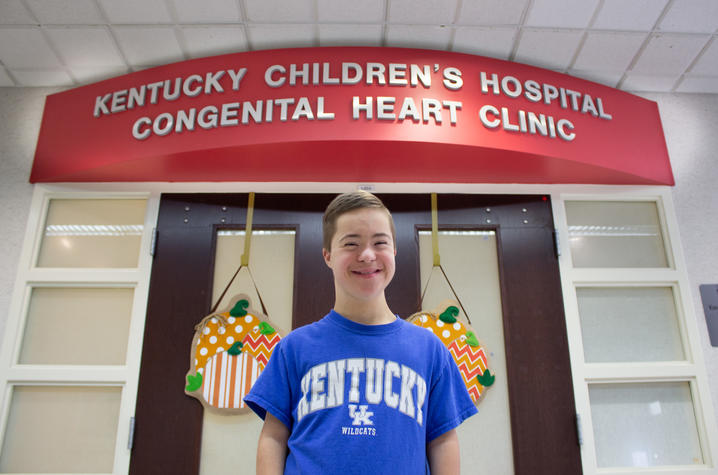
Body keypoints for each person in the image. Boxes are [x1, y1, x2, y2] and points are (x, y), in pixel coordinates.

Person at [244, 191, 477, 474]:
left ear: (394, 251)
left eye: (380, 242)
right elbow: (273, 437)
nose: (367, 255)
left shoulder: (429, 349)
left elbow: (442, 440)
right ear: (328, 255)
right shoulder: (293, 348)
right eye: (351, 243)